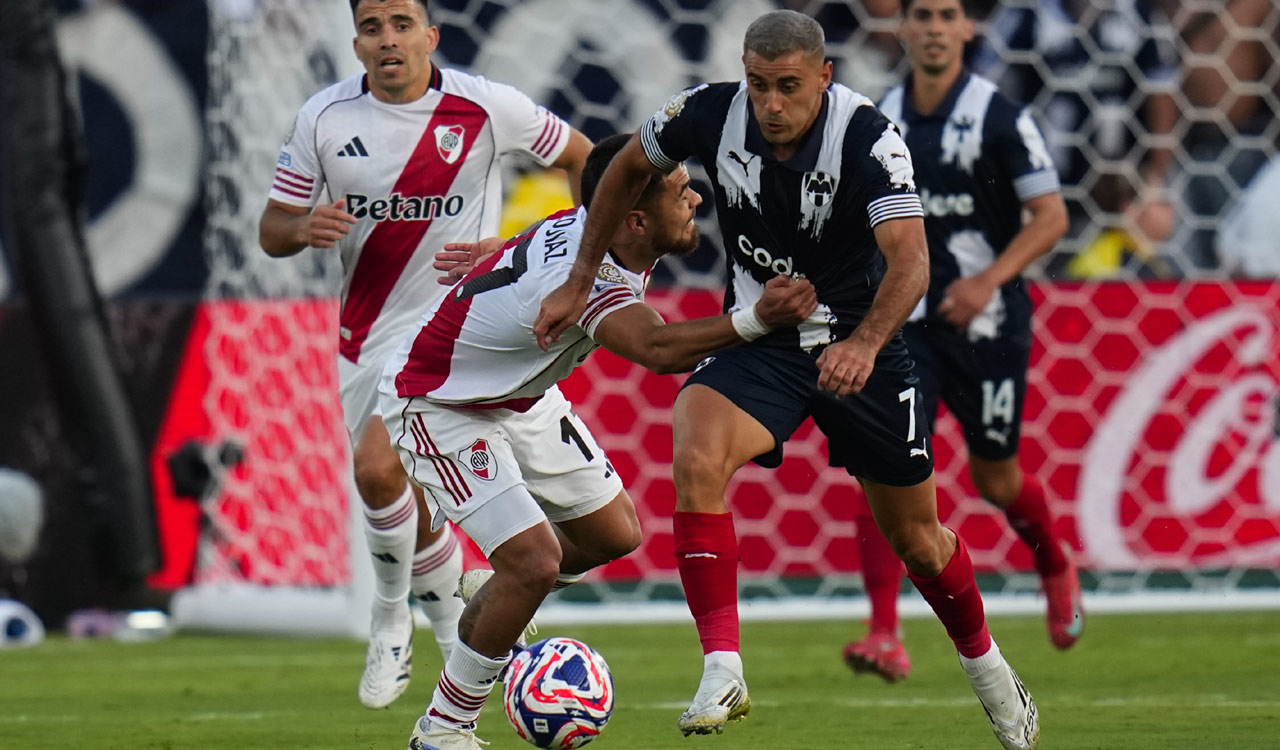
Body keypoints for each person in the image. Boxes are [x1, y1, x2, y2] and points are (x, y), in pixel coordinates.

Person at [535, 10, 1040, 749]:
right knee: (696, 452)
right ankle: (722, 665)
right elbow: (624, 168)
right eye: (760, 85)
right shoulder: (707, 113)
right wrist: (582, 277)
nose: (771, 104)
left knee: (921, 542)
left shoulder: (868, 138)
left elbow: (912, 261)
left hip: (857, 345)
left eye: (789, 87)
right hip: (763, 336)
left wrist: (867, 342)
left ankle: (992, 673)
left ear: (824, 78)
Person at [379, 133, 817, 750]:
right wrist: (758, 321)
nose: (695, 195)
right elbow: (658, 350)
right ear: (634, 219)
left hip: (518, 394)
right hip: (436, 400)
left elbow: (550, 246)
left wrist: (501, 253)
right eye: (677, 189)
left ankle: (503, 588)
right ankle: (443, 729)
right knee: (535, 561)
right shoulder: (589, 279)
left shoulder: (596, 230)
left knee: (613, 535)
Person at [257, 0, 592, 709]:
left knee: (379, 468)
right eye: (374, 27)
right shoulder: (324, 117)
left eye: (402, 24)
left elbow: (585, 159)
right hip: (366, 333)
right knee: (399, 491)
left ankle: (388, 621)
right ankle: (427, 625)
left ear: (430, 36)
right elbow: (270, 229)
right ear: (356, 42)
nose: (389, 40)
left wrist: (524, 246)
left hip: (455, 328)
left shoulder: (484, 106)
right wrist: (302, 225)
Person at [841, 0, 1078, 686]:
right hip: (905, 326)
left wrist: (989, 282)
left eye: (949, 14)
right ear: (904, 28)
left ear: (968, 28)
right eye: (923, 15)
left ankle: (1054, 563)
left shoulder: (1001, 116)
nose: (936, 27)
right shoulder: (873, 117)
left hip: (987, 324)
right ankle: (884, 632)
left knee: (993, 477)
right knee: (886, 468)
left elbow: (1051, 215)